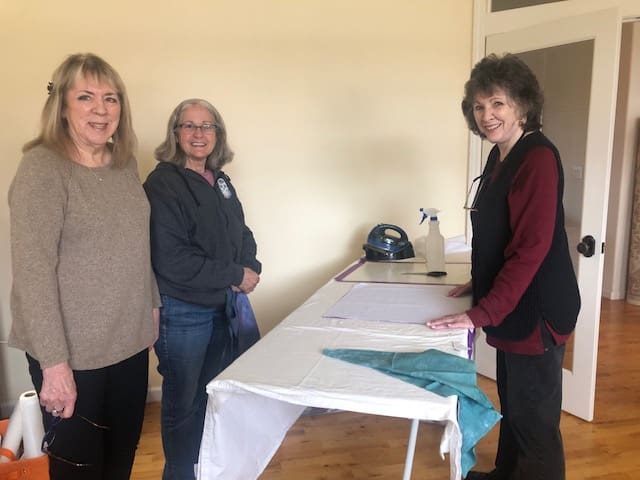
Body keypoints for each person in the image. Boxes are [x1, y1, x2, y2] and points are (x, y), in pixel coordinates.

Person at [427, 53, 580, 480]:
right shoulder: (501, 156)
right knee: (513, 405)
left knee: (535, 423)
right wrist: (480, 281)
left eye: (497, 103)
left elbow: (530, 249)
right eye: (479, 106)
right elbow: (502, 234)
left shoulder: (537, 159)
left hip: (537, 310)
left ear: (522, 106)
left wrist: (481, 313)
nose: (486, 115)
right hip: (513, 305)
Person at [8, 53, 160, 479]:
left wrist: (151, 305)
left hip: (129, 342)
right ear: (62, 106)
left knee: (121, 459)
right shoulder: (43, 168)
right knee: (79, 470)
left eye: (111, 98)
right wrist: (54, 365)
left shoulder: (124, 162)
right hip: (71, 355)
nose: (101, 109)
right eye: (86, 97)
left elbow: (137, 244)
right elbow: (33, 272)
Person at [144, 98, 261, 480]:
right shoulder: (163, 183)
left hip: (222, 306)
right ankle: (180, 475)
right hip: (183, 311)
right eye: (189, 125)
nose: (198, 133)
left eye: (206, 125)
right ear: (175, 133)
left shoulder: (220, 179)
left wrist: (250, 267)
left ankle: (205, 469)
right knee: (183, 404)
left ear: (217, 134)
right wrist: (235, 274)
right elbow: (171, 259)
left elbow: (241, 231)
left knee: (212, 396)